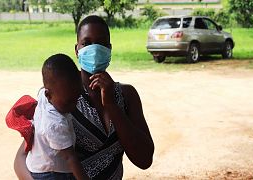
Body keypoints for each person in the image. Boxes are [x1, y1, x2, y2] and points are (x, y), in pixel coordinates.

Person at [14, 15, 154, 180]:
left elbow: (144, 160)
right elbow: (21, 158)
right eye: (87, 43)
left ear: (109, 48)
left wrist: (111, 105)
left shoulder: (126, 95)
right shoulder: (61, 98)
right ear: (77, 49)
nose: (94, 49)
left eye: (101, 43)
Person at [10, 54, 89, 180]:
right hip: (52, 174)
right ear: (48, 95)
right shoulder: (55, 124)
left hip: (38, 166)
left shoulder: (45, 94)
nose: (74, 106)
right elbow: (70, 158)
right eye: (68, 102)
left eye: (76, 98)